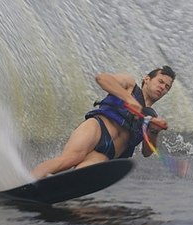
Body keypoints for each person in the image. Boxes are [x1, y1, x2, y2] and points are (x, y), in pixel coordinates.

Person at [31, 66, 175, 179]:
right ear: (147, 79)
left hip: (108, 152)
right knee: (71, 158)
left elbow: (147, 152)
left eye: (167, 87)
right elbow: (102, 79)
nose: (163, 87)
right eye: (160, 81)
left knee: (79, 175)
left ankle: (45, 191)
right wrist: (128, 99)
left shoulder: (151, 117)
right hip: (97, 128)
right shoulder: (129, 84)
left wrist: (154, 131)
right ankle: (29, 179)